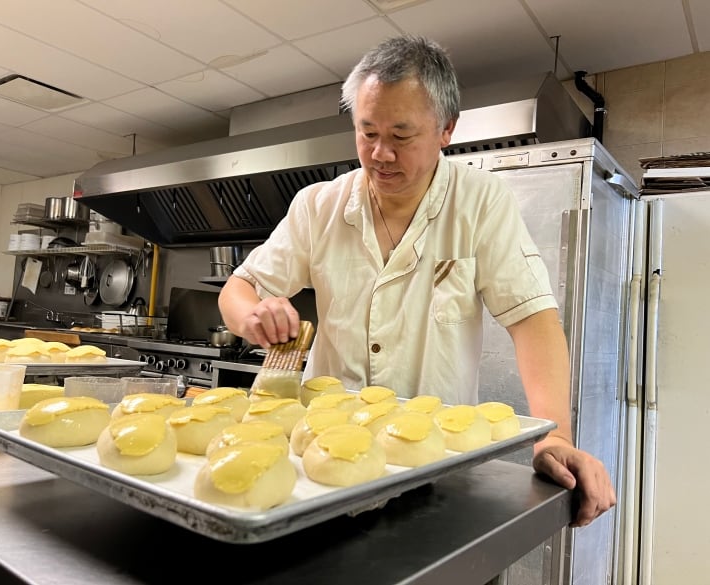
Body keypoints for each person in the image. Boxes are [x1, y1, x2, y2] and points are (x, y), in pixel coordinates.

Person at [218, 35, 616, 527]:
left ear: (446, 129)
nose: (380, 154)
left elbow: (531, 318)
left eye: (401, 136)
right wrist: (251, 315)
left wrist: (555, 437)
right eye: (367, 133)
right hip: (321, 466)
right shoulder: (318, 206)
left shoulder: (480, 204)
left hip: (434, 469)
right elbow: (238, 290)